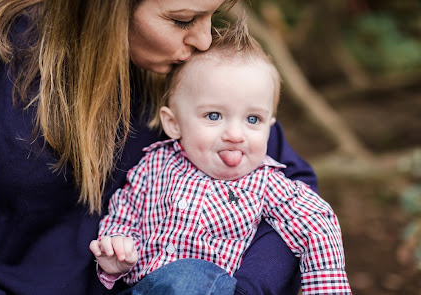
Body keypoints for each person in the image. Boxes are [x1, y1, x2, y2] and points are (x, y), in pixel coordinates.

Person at [0, 0, 319, 294]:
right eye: (182, 19)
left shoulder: (192, 67)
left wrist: (244, 288)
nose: (204, 40)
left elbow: (296, 187)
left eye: (212, 15)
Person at [90, 20, 351, 295]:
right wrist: (117, 251)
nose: (236, 134)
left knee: (192, 276)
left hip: (207, 287)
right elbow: (125, 214)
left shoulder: (265, 182)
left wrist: (325, 287)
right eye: (213, 116)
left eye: (253, 119)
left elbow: (317, 220)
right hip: (144, 288)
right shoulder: (153, 165)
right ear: (173, 123)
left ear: (269, 127)